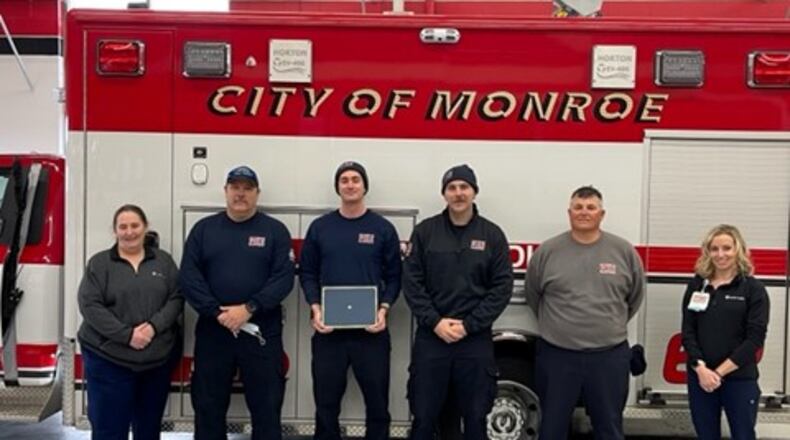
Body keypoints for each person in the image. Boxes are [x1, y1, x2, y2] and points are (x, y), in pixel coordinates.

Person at [180, 165, 295, 440]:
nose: (240, 194)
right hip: (213, 331)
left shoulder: (275, 231)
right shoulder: (204, 230)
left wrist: (249, 308)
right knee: (208, 407)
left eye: (247, 188)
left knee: (267, 407)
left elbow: (283, 279)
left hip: (260, 331)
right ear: (226, 191)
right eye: (235, 187)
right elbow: (189, 277)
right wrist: (217, 312)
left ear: (257, 193)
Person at [403, 164, 513, 440]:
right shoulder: (426, 232)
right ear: (444, 194)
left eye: (464, 187)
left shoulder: (492, 235)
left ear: (474, 192)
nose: (458, 193)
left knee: (475, 418)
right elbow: (412, 284)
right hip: (432, 338)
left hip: (474, 341)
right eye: (452, 188)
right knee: (424, 417)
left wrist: (469, 326)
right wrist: (436, 322)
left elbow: (501, 287)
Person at [525, 185, 645, 440]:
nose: (584, 212)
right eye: (578, 207)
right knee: (552, 430)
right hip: (557, 357)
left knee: (609, 429)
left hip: (608, 357)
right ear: (569, 213)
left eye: (591, 207)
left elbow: (634, 297)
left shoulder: (623, 252)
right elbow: (534, 294)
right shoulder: (548, 251)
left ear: (602, 214)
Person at [299, 161, 402, 440]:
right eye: (344, 180)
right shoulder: (321, 228)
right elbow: (307, 272)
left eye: (356, 179)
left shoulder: (383, 229)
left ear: (364, 186)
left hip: (372, 334)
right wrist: (315, 307)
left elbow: (395, 276)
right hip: (329, 333)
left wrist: (384, 308)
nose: (350, 184)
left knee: (378, 404)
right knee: (326, 404)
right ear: (338, 187)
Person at [78, 204, 183, 440]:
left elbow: (176, 298)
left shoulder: (163, 262)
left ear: (145, 228)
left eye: (135, 225)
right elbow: (90, 305)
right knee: (109, 431)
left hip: (155, 363)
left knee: (148, 430)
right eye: (122, 227)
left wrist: (154, 327)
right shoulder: (100, 263)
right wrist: (127, 335)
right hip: (109, 361)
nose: (129, 232)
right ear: (114, 231)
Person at [681, 224, 769, 440]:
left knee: (743, 435)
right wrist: (700, 369)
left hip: (739, 379)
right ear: (707, 252)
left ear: (738, 250)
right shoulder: (697, 285)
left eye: (727, 248)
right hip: (701, 378)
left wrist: (718, 373)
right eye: (715, 249)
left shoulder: (753, 289)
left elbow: (755, 339)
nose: (721, 255)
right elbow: (688, 330)